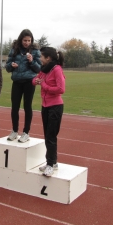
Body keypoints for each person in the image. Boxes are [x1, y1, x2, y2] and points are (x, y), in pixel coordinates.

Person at [32, 47, 65, 177]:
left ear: (48, 58)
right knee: (47, 136)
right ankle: (52, 162)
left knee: (51, 137)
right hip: (45, 106)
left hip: (55, 106)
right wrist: (37, 81)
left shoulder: (57, 69)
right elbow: (34, 80)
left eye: (41, 57)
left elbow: (61, 89)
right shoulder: (44, 70)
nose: (40, 59)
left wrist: (44, 85)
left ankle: (50, 164)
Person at [5, 29, 41, 142]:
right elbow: (7, 67)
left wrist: (32, 61)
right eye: (25, 40)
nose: (27, 42)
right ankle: (15, 131)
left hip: (29, 82)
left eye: (29, 40)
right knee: (14, 107)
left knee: (27, 106)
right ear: (21, 39)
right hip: (16, 81)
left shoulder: (35, 51)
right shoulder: (14, 50)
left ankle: (26, 132)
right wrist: (12, 65)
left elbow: (39, 68)